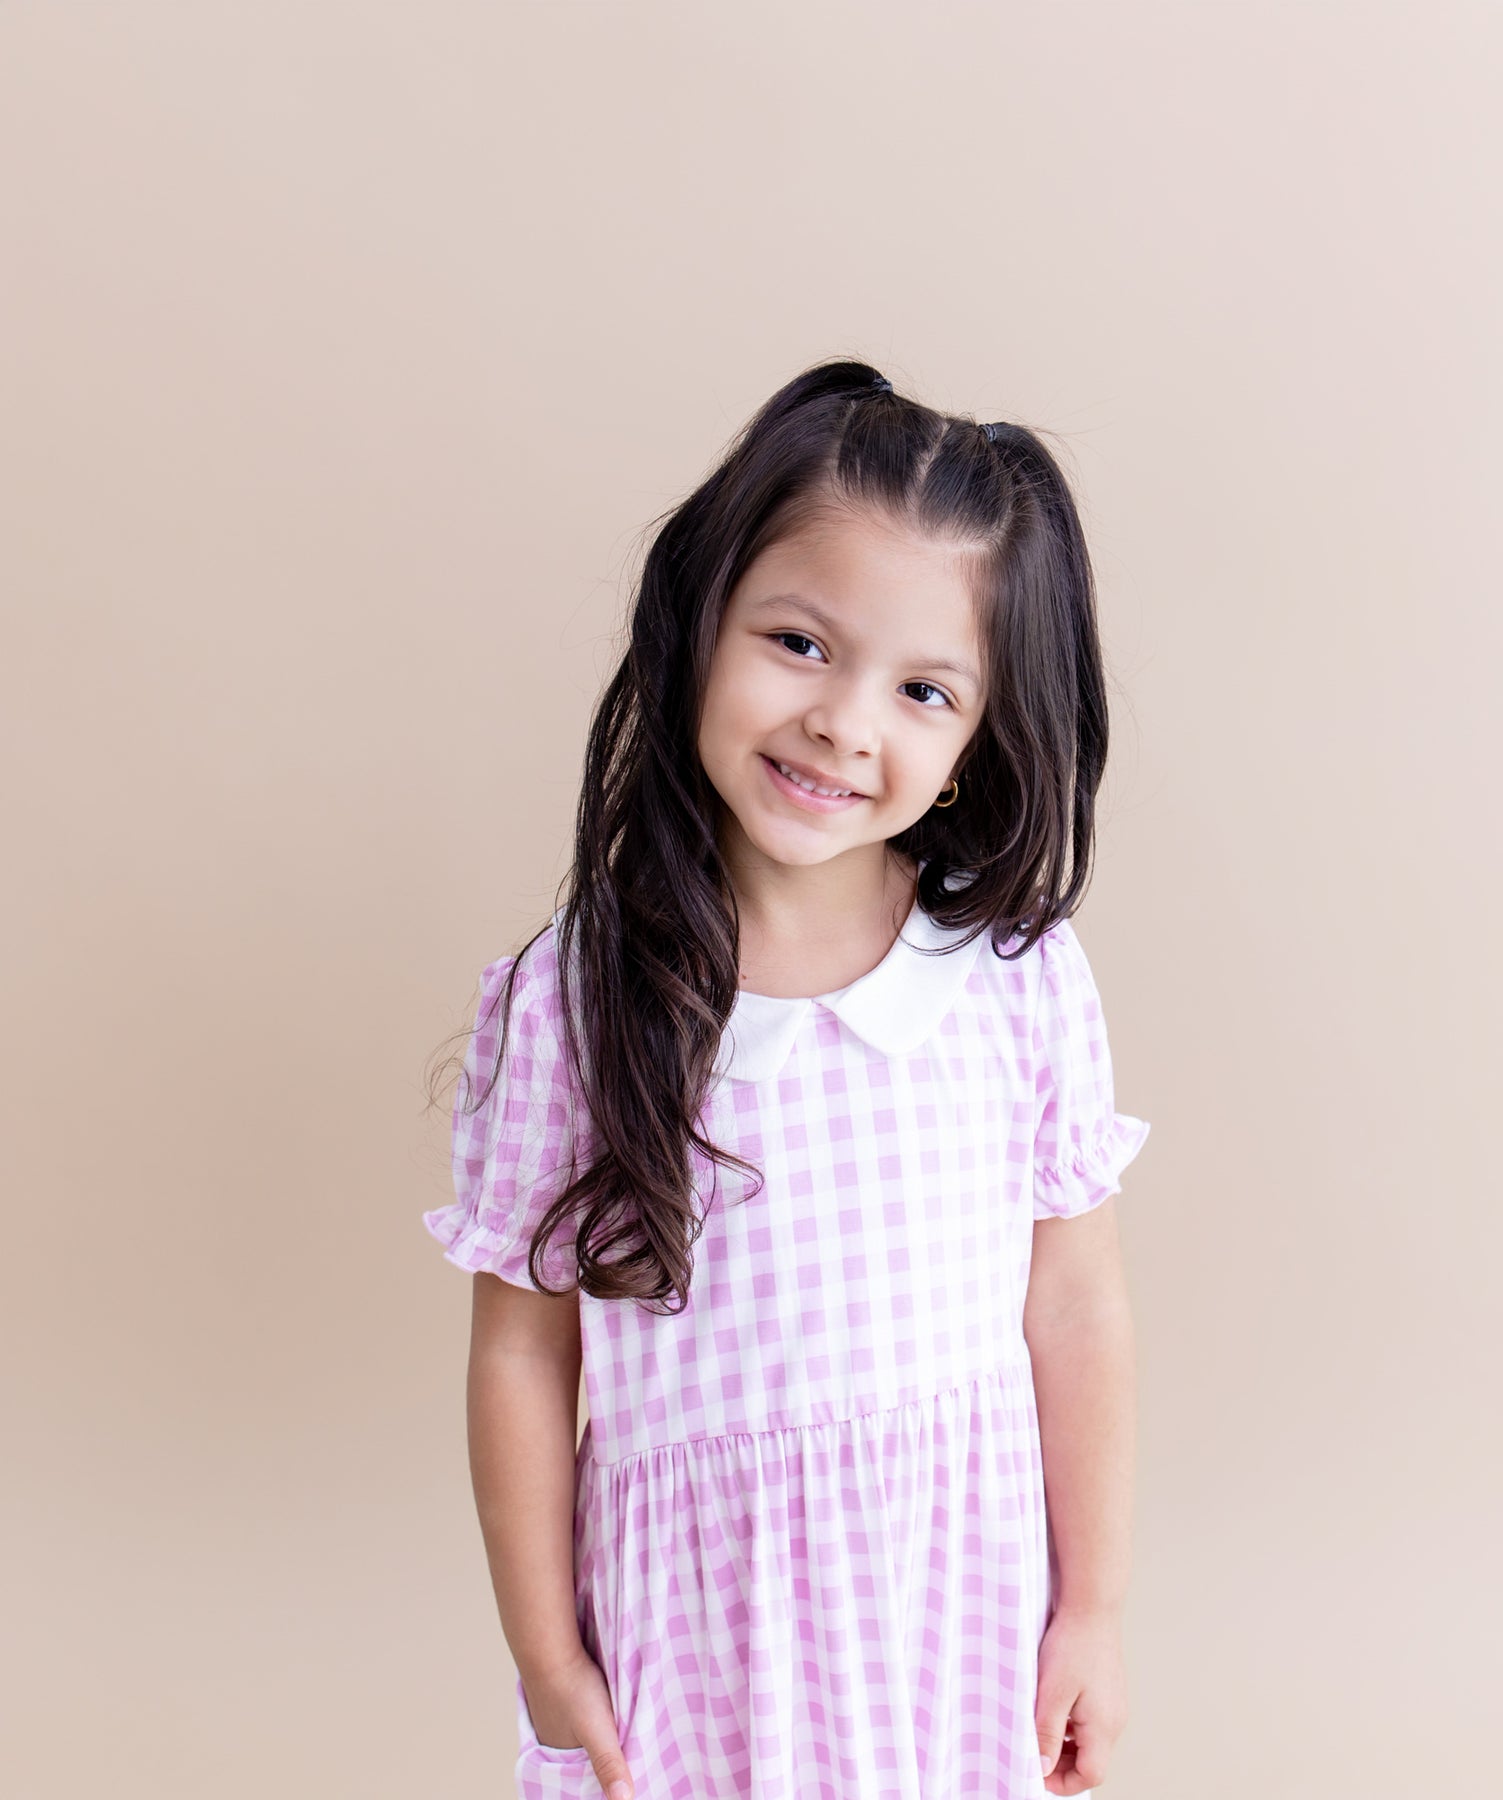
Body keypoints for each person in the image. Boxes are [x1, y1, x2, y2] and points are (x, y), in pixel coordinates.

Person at [422, 358, 1153, 1799]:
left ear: (969, 747)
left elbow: (1075, 1302)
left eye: (924, 688)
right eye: (802, 644)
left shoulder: (1010, 981)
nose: (844, 721)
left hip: (956, 1606)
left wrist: (1093, 1609)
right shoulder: (577, 1006)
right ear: (705, 623)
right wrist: (546, 1651)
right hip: (700, 1629)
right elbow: (522, 1349)